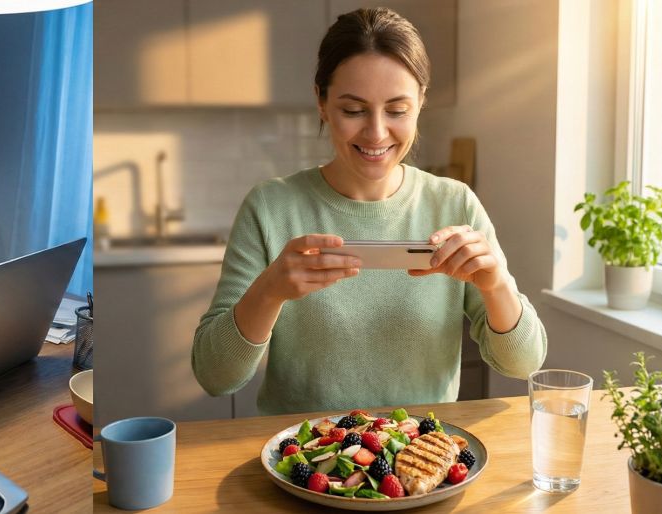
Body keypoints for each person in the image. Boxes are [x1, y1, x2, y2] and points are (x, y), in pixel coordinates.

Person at [192, 8, 546, 415]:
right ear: (321, 102)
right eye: (353, 110)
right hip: (303, 463)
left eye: (396, 110)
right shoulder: (270, 207)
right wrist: (269, 291)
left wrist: (495, 283)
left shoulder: (455, 203)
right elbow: (215, 377)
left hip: (420, 461)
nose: (377, 133)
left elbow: (524, 363)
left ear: (420, 103)